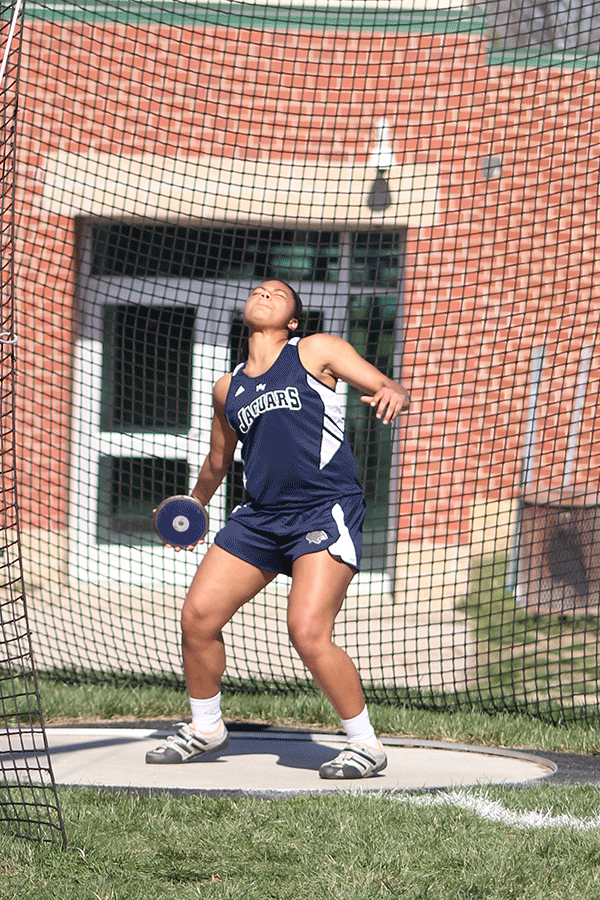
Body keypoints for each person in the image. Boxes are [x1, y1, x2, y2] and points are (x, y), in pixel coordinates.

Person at [146, 280, 410, 778]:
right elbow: (219, 459)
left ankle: (366, 744)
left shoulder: (315, 350)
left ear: (292, 320)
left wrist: (392, 390)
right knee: (197, 618)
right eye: (258, 290)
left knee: (307, 631)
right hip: (260, 517)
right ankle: (206, 727)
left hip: (322, 508)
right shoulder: (228, 387)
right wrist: (192, 507)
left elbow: (383, 385)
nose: (263, 293)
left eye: (277, 293)